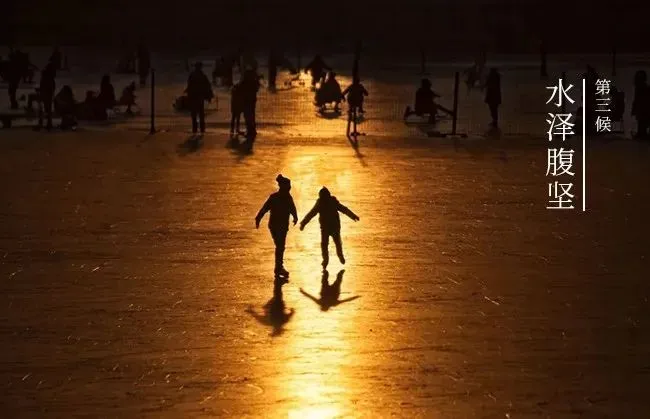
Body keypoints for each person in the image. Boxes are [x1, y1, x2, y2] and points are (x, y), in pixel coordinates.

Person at [299, 187, 359, 269]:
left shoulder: (330, 202)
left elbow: (343, 209)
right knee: (328, 244)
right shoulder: (322, 203)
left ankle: (337, 257)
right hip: (327, 227)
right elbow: (312, 213)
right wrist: (303, 223)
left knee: (334, 243)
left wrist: (353, 216)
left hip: (333, 227)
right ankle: (327, 260)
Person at [255, 175, 298, 277]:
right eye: (288, 187)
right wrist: (258, 218)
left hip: (282, 226)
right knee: (280, 246)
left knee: (280, 246)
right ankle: (278, 268)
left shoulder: (287, 197)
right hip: (275, 226)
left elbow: (292, 208)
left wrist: (295, 217)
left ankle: (278, 267)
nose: (289, 189)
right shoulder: (274, 198)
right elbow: (265, 208)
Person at [185, 62, 213, 134]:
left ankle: (195, 129)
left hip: (194, 97)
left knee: (194, 114)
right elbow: (207, 86)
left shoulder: (192, 76)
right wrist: (209, 96)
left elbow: (189, 86)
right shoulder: (202, 76)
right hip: (200, 97)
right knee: (201, 114)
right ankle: (202, 129)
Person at [240, 68, 261, 148]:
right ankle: (252, 130)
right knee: (251, 115)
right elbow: (256, 88)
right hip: (251, 100)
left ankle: (250, 130)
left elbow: (240, 88)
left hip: (247, 101)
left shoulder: (245, 82)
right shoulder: (253, 81)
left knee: (248, 115)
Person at [37, 61, 56, 130]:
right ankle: (48, 124)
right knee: (47, 109)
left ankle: (43, 123)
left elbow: (42, 85)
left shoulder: (45, 76)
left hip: (45, 94)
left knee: (43, 109)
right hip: (47, 94)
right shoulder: (50, 76)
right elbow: (52, 86)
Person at [632, 70, 649, 139]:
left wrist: (634, 109)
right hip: (644, 108)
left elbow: (637, 100)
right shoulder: (644, 87)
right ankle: (642, 134)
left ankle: (641, 135)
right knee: (642, 123)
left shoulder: (640, 87)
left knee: (642, 122)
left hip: (643, 108)